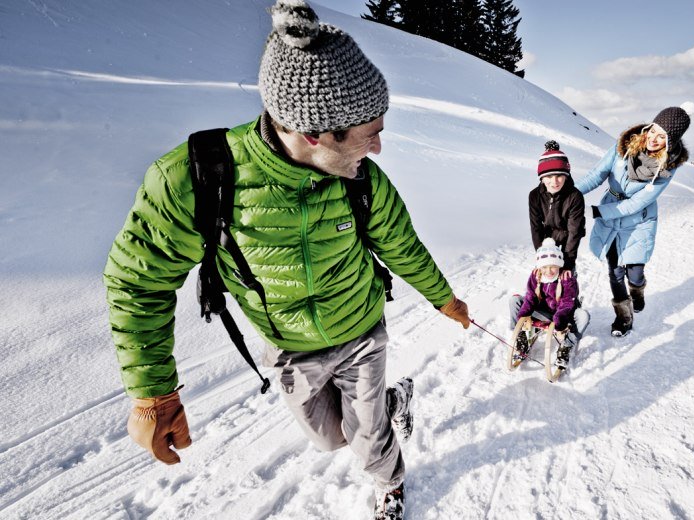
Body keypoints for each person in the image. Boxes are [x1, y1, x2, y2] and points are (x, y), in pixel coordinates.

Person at [102, 2, 470, 519]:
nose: (379, 148)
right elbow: (138, 281)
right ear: (316, 134)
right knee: (328, 439)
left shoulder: (362, 182)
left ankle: (389, 487)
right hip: (289, 346)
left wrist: (445, 299)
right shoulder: (199, 181)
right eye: (370, 133)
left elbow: (401, 245)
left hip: (361, 330)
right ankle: (394, 404)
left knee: (367, 438)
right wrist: (152, 394)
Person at [575, 103, 693, 336]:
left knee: (634, 272)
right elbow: (596, 175)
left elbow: (636, 203)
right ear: (648, 127)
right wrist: (572, 194)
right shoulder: (622, 149)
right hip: (611, 210)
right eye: (653, 131)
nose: (654, 139)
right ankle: (624, 317)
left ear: (670, 142)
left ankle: (637, 290)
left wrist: (597, 212)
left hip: (639, 220)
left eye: (663, 137)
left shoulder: (667, 167)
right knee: (615, 270)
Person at [508, 238, 591, 369]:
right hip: (543, 312)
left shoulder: (567, 278)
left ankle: (567, 345)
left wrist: (559, 321)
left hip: (564, 316)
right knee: (515, 300)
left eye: (553, 266)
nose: (549, 270)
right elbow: (530, 297)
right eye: (545, 267)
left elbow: (567, 303)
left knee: (583, 315)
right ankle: (522, 335)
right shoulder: (536, 275)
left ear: (559, 265)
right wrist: (524, 316)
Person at [528, 140, 586, 278]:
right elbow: (536, 227)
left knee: (566, 277)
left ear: (566, 176)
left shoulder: (575, 196)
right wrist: (542, 255)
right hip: (547, 239)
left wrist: (568, 263)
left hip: (568, 239)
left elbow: (574, 231)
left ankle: (572, 297)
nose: (554, 182)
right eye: (548, 176)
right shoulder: (535, 196)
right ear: (542, 178)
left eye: (559, 176)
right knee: (545, 276)